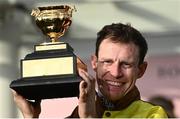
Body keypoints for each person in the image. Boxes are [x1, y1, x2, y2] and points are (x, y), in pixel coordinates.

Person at [12, 23, 168, 118]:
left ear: (141, 70)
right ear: (94, 63)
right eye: (107, 62)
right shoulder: (77, 113)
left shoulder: (153, 115)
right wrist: (30, 116)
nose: (115, 73)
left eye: (126, 64)